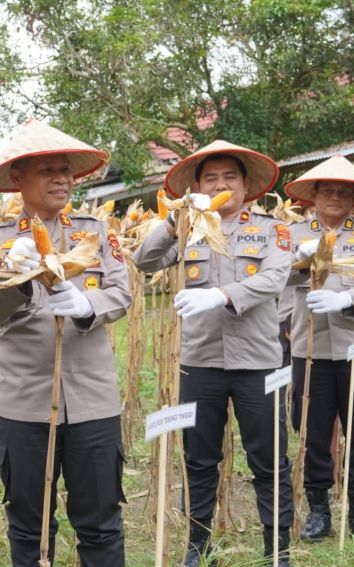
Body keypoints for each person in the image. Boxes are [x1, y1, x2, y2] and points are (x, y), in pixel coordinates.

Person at [0, 118, 130, 566]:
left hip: (93, 401)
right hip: (25, 405)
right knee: (29, 525)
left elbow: (122, 293)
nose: (61, 178)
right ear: (18, 179)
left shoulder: (97, 232)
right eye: (47, 170)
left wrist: (87, 305)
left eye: (65, 170)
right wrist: (15, 281)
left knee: (100, 522)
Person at [133, 140, 293, 566]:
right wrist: (172, 222)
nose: (221, 184)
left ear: (245, 186)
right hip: (199, 361)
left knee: (268, 459)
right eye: (211, 178)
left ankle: (278, 549)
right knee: (199, 460)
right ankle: (197, 545)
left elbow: (275, 279)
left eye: (229, 177)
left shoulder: (270, 229)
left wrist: (221, 295)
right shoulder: (188, 228)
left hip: (258, 361)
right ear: (198, 186)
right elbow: (143, 262)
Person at [284, 155, 354, 541]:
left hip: (352, 348)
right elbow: (269, 284)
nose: (335, 197)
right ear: (313, 194)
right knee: (313, 427)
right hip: (307, 348)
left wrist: (347, 301)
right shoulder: (292, 234)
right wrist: (296, 263)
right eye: (328, 190)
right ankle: (318, 509)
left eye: (344, 192)